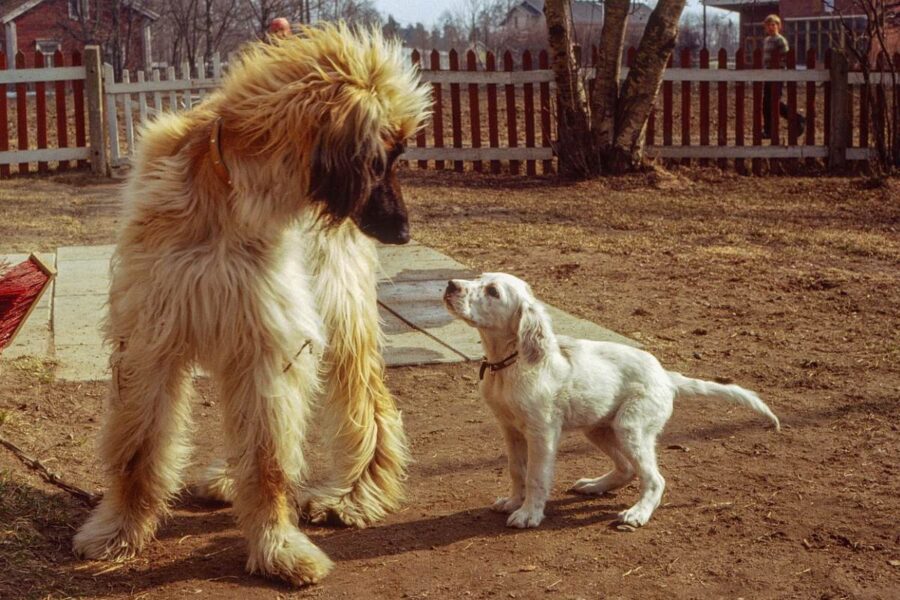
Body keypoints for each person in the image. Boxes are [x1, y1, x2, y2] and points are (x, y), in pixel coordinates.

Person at [761, 14, 805, 140]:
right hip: (768, 75)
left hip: (778, 75)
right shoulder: (767, 40)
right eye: (768, 25)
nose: (771, 27)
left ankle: (798, 120)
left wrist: (780, 68)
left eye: (773, 25)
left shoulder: (781, 40)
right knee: (766, 104)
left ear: (778, 26)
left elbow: (786, 57)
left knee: (774, 102)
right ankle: (768, 131)